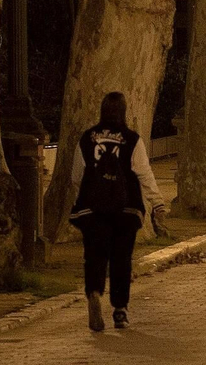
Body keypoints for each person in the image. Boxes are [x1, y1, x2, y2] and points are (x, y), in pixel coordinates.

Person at [69, 92, 167, 331]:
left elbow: (76, 177)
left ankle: (93, 292)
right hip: (126, 208)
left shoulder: (86, 138)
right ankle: (120, 310)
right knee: (122, 258)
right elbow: (144, 173)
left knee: (94, 255)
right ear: (124, 112)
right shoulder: (132, 139)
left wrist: (85, 197)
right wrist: (157, 204)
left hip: (92, 210)